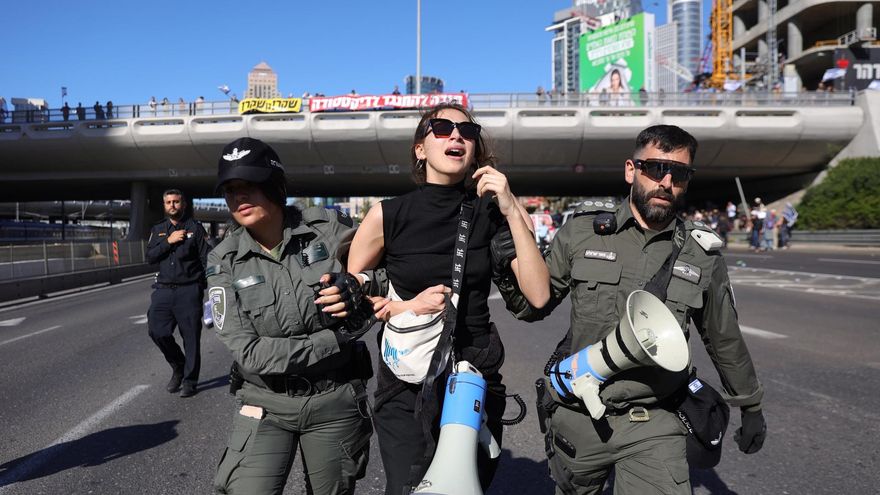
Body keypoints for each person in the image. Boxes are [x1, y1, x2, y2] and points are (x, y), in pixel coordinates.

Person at [497, 125, 766, 494]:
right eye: (655, 168)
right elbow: (531, 306)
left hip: (655, 419)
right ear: (631, 170)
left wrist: (750, 405)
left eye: (679, 173)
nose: (666, 181)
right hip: (578, 418)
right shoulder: (581, 232)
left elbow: (723, 336)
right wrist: (506, 257)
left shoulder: (701, 255)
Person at [345, 102, 549, 495]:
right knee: (407, 487)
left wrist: (510, 206)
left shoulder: (491, 212)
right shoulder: (386, 215)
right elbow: (357, 302)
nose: (456, 135)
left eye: (467, 132)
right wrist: (408, 305)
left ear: (474, 149)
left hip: (474, 378)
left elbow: (538, 295)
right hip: (408, 380)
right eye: (441, 128)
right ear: (420, 149)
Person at [209, 137, 378, 494]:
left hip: (335, 400)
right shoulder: (223, 260)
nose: (239, 198)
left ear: (274, 185)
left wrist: (360, 282)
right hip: (265, 401)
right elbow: (250, 353)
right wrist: (334, 338)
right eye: (231, 190)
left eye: (249, 186)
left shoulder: (327, 230)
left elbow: (385, 279)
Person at [146, 189, 211, 398]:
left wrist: (207, 288)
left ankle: (190, 381)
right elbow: (150, 257)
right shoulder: (158, 230)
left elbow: (206, 259)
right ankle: (178, 365)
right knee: (157, 332)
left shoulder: (196, 229)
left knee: (191, 338)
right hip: (163, 290)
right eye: (168, 202)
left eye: (176, 201)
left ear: (183, 204)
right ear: (164, 205)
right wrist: (168, 241)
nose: (172, 205)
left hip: (189, 290)